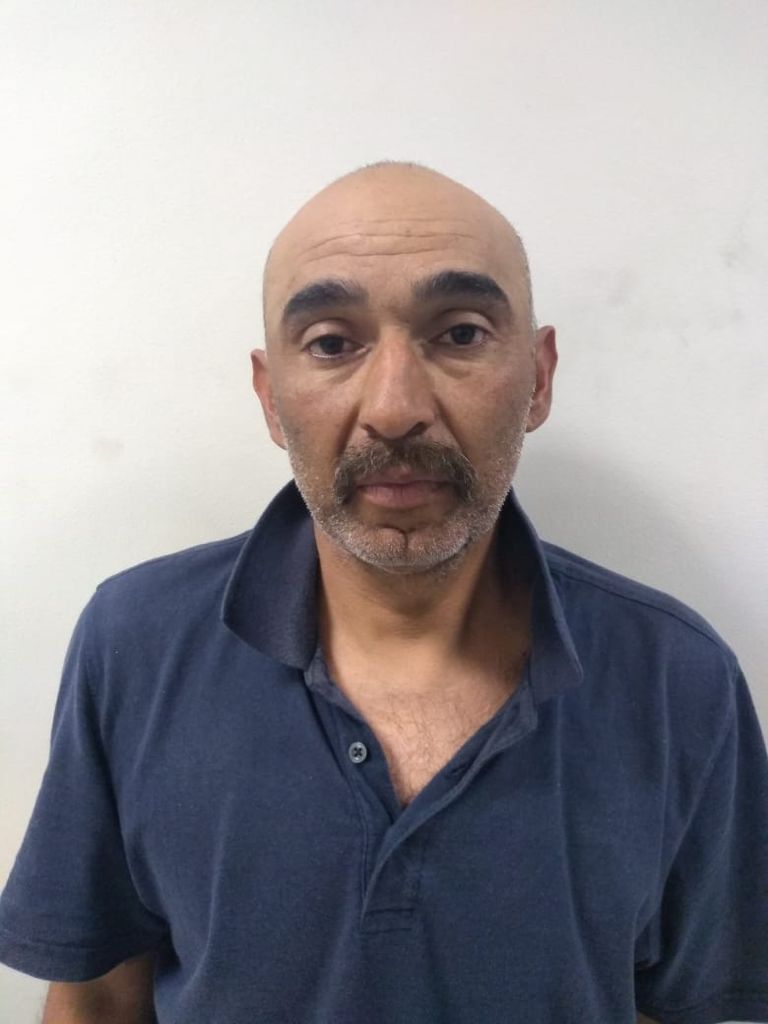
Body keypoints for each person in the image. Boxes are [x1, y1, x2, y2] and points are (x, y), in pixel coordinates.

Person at [0, 162, 766, 1024]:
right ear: (271, 398)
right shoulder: (136, 644)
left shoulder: (678, 681)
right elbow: (99, 1000)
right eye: (333, 343)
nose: (395, 408)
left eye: (461, 334)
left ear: (540, 377)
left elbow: (688, 1008)